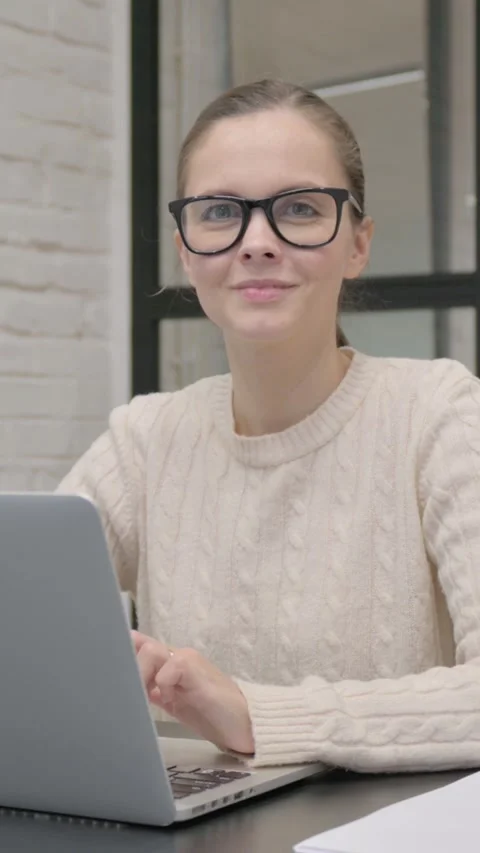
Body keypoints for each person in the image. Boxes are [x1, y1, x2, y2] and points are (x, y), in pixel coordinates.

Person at [57, 78, 480, 773]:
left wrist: (258, 714)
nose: (257, 242)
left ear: (357, 244)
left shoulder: (440, 414)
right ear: (187, 251)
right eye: (221, 211)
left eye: (301, 208)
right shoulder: (146, 438)